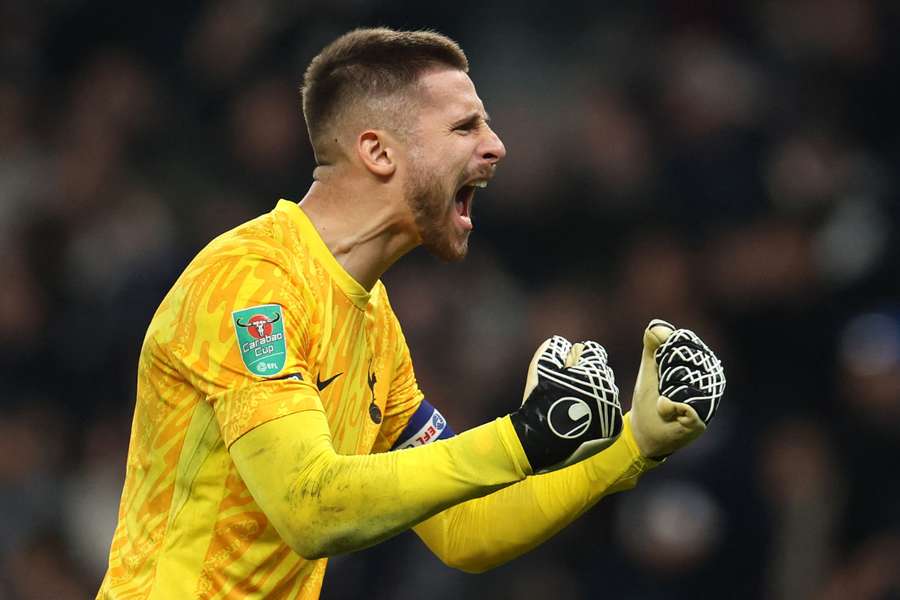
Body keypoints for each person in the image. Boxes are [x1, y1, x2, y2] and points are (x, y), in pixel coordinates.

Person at [97, 27, 723, 599]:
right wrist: (524, 436)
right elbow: (308, 506)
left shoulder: (371, 317)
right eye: (464, 128)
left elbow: (464, 530)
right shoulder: (252, 284)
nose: (497, 146)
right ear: (378, 151)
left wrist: (632, 443)